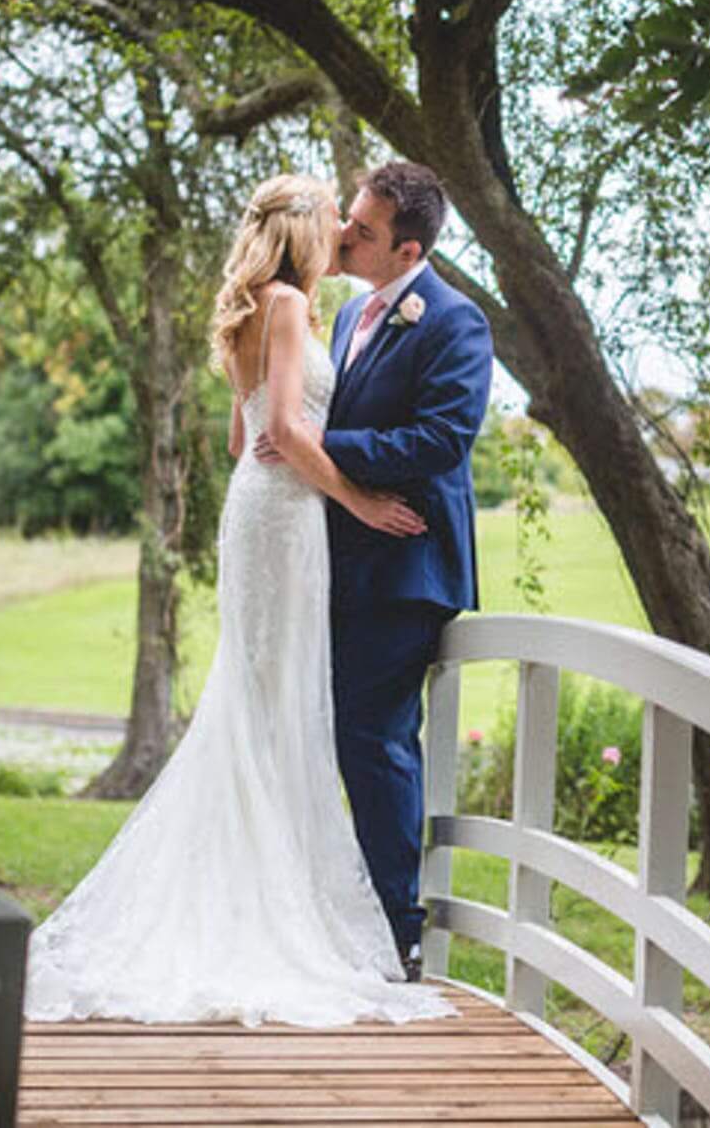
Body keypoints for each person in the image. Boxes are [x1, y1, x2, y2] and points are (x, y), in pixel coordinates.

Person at [23, 174, 457, 1027]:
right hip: (290, 515)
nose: (342, 235)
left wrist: (288, 442)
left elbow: (242, 435)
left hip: (256, 512)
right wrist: (360, 501)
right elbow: (287, 434)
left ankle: (248, 897)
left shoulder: (253, 306)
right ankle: (269, 914)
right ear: (302, 233)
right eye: (336, 222)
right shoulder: (292, 304)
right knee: (275, 705)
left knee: (260, 701)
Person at [264, 160, 493, 978]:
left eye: (361, 229)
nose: (343, 235)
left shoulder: (455, 324)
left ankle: (399, 932)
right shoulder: (348, 312)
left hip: (407, 566)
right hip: (337, 559)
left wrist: (317, 445)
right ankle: (344, 915)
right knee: (331, 733)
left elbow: (439, 443)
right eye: (348, 220)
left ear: (408, 249)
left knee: (375, 739)